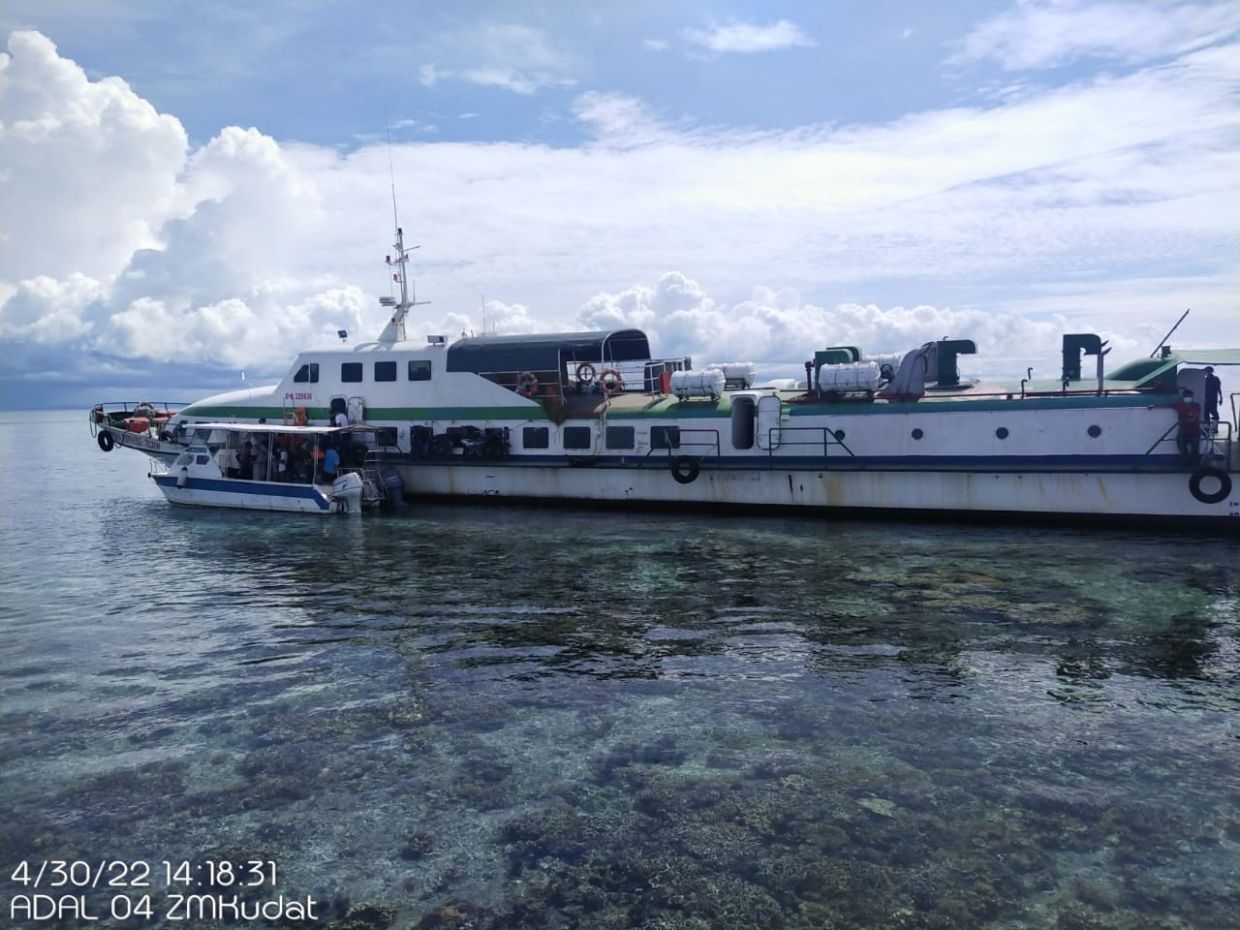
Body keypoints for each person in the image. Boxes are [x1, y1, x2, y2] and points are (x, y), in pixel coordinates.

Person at [1173, 388, 1202, 464]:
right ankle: (1186, 462)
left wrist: (1184, 421)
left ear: (1192, 396)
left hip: (1195, 432)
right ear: (1183, 397)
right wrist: (1153, 405)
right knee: (1182, 448)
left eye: (1189, 396)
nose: (1188, 397)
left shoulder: (1196, 406)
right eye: (1186, 396)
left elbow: (1194, 418)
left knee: (1195, 450)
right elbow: (1166, 405)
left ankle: (1195, 464)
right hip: (1183, 432)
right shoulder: (1179, 405)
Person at [1203, 366, 1223, 433]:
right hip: (1206, 399)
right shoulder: (1204, 380)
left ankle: (1214, 428)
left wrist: (1221, 397)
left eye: (1206, 371)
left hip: (1212, 399)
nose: (1205, 372)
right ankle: (1207, 428)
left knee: (1214, 413)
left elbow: (1219, 389)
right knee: (1206, 413)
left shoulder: (1215, 379)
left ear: (1209, 371)